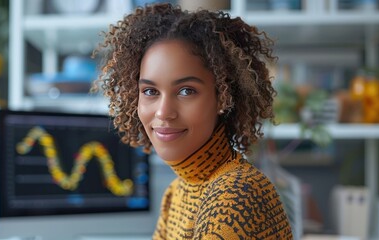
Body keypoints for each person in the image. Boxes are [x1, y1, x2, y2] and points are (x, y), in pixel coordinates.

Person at [93, 3, 293, 239]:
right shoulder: (177, 192)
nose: (163, 112)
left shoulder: (234, 195)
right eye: (150, 91)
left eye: (186, 91)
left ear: (222, 97)